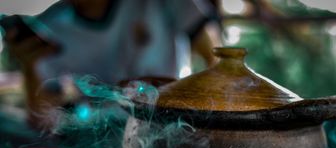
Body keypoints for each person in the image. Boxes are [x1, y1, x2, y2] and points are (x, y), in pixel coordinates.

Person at [1, 0, 220, 128]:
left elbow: (214, 54)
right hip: (100, 141)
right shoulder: (51, 27)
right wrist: (28, 64)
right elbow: (43, 116)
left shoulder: (157, 3)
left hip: (170, 125)